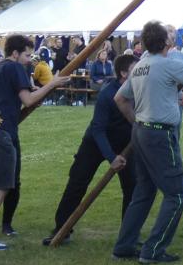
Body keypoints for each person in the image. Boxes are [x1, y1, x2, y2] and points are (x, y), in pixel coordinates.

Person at [113, 22, 183, 265]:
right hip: (160, 135)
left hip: (141, 132)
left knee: (144, 191)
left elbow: (120, 98)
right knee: (178, 194)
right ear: (166, 42)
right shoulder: (166, 64)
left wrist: (137, 122)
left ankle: (124, 246)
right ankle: (152, 250)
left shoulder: (140, 66)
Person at [0, 34, 68, 250]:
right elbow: (28, 100)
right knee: (1, 186)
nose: (29, 60)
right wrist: (52, 84)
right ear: (16, 53)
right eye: (27, 55)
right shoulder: (15, 67)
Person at [44, 54, 138, 246]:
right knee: (77, 182)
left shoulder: (140, 91)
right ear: (123, 73)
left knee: (133, 187)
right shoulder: (107, 94)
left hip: (126, 144)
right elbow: (98, 129)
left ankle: (128, 236)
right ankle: (62, 229)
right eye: (136, 70)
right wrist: (111, 157)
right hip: (95, 144)